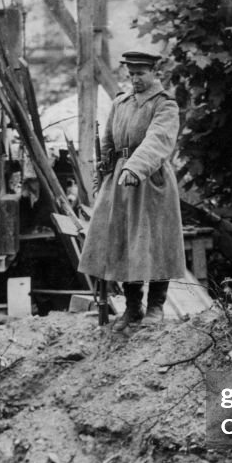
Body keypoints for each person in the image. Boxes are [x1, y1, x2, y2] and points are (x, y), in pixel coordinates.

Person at [78, 51, 186, 331]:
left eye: (141, 74)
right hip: (120, 181)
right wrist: (104, 167)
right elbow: (110, 140)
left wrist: (135, 168)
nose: (135, 79)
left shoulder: (165, 105)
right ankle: (132, 307)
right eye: (131, 74)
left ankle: (155, 307)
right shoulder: (121, 103)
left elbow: (158, 140)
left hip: (152, 181)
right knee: (124, 242)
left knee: (156, 243)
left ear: (154, 73)